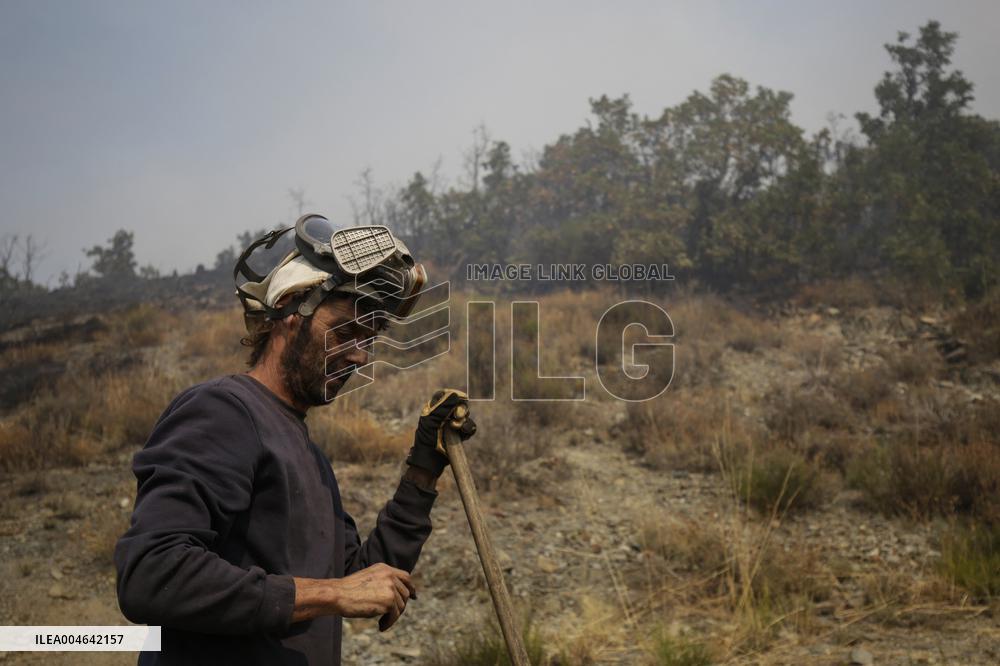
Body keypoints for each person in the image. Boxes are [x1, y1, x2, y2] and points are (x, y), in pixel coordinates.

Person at [114, 217, 474, 665]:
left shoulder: (309, 456)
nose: (360, 354)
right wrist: (331, 594)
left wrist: (423, 469)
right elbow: (151, 574)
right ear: (288, 310)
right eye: (345, 330)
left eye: (369, 338)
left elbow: (359, 578)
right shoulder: (225, 411)